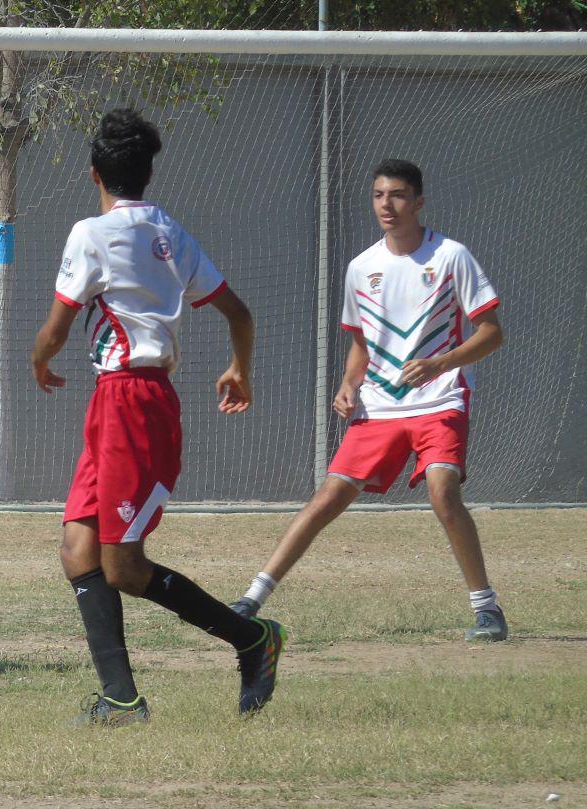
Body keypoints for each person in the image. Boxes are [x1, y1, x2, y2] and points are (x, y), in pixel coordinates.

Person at [32, 109, 285, 725]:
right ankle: (121, 700)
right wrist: (239, 368)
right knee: (76, 548)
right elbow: (240, 313)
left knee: (122, 567)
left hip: (132, 407)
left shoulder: (89, 233)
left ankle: (252, 640)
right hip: (123, 402)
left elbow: (58, 327)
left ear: (94, 173)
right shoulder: (169, 231)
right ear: (148, 173)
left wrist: (38, 361)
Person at [230, 159, 507, 643]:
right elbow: (362, 342)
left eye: (398, 195)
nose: (387, 204)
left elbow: (491, 333)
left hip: (439, 399)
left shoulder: (451, 257)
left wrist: (442, 364)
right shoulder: (362, 267)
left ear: (418, 202)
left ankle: (487, 608)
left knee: (443, 491)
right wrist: (347, 383)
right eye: (379, 195)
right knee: (326, 499)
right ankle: (251, 599)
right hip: (378, 406)